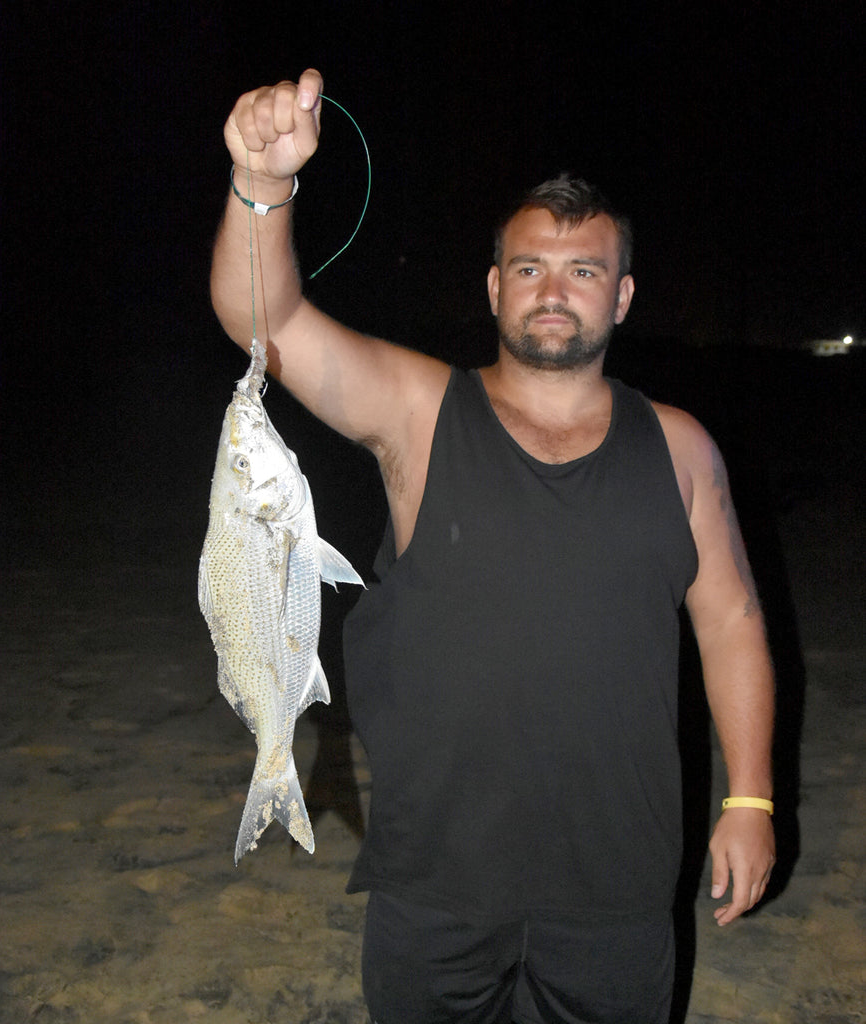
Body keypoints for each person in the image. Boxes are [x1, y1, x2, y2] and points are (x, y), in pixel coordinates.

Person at [211, 69, 776, 1024]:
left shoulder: (679, 447)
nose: (554, 292)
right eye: (529, 268)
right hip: (435, 876)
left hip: (618, 879)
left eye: (583, 271)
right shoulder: (420, 411)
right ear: (493, 287)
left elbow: (729, 621)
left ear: (622, 297)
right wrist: (260, 185)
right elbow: (268, 325)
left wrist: (750, 801)